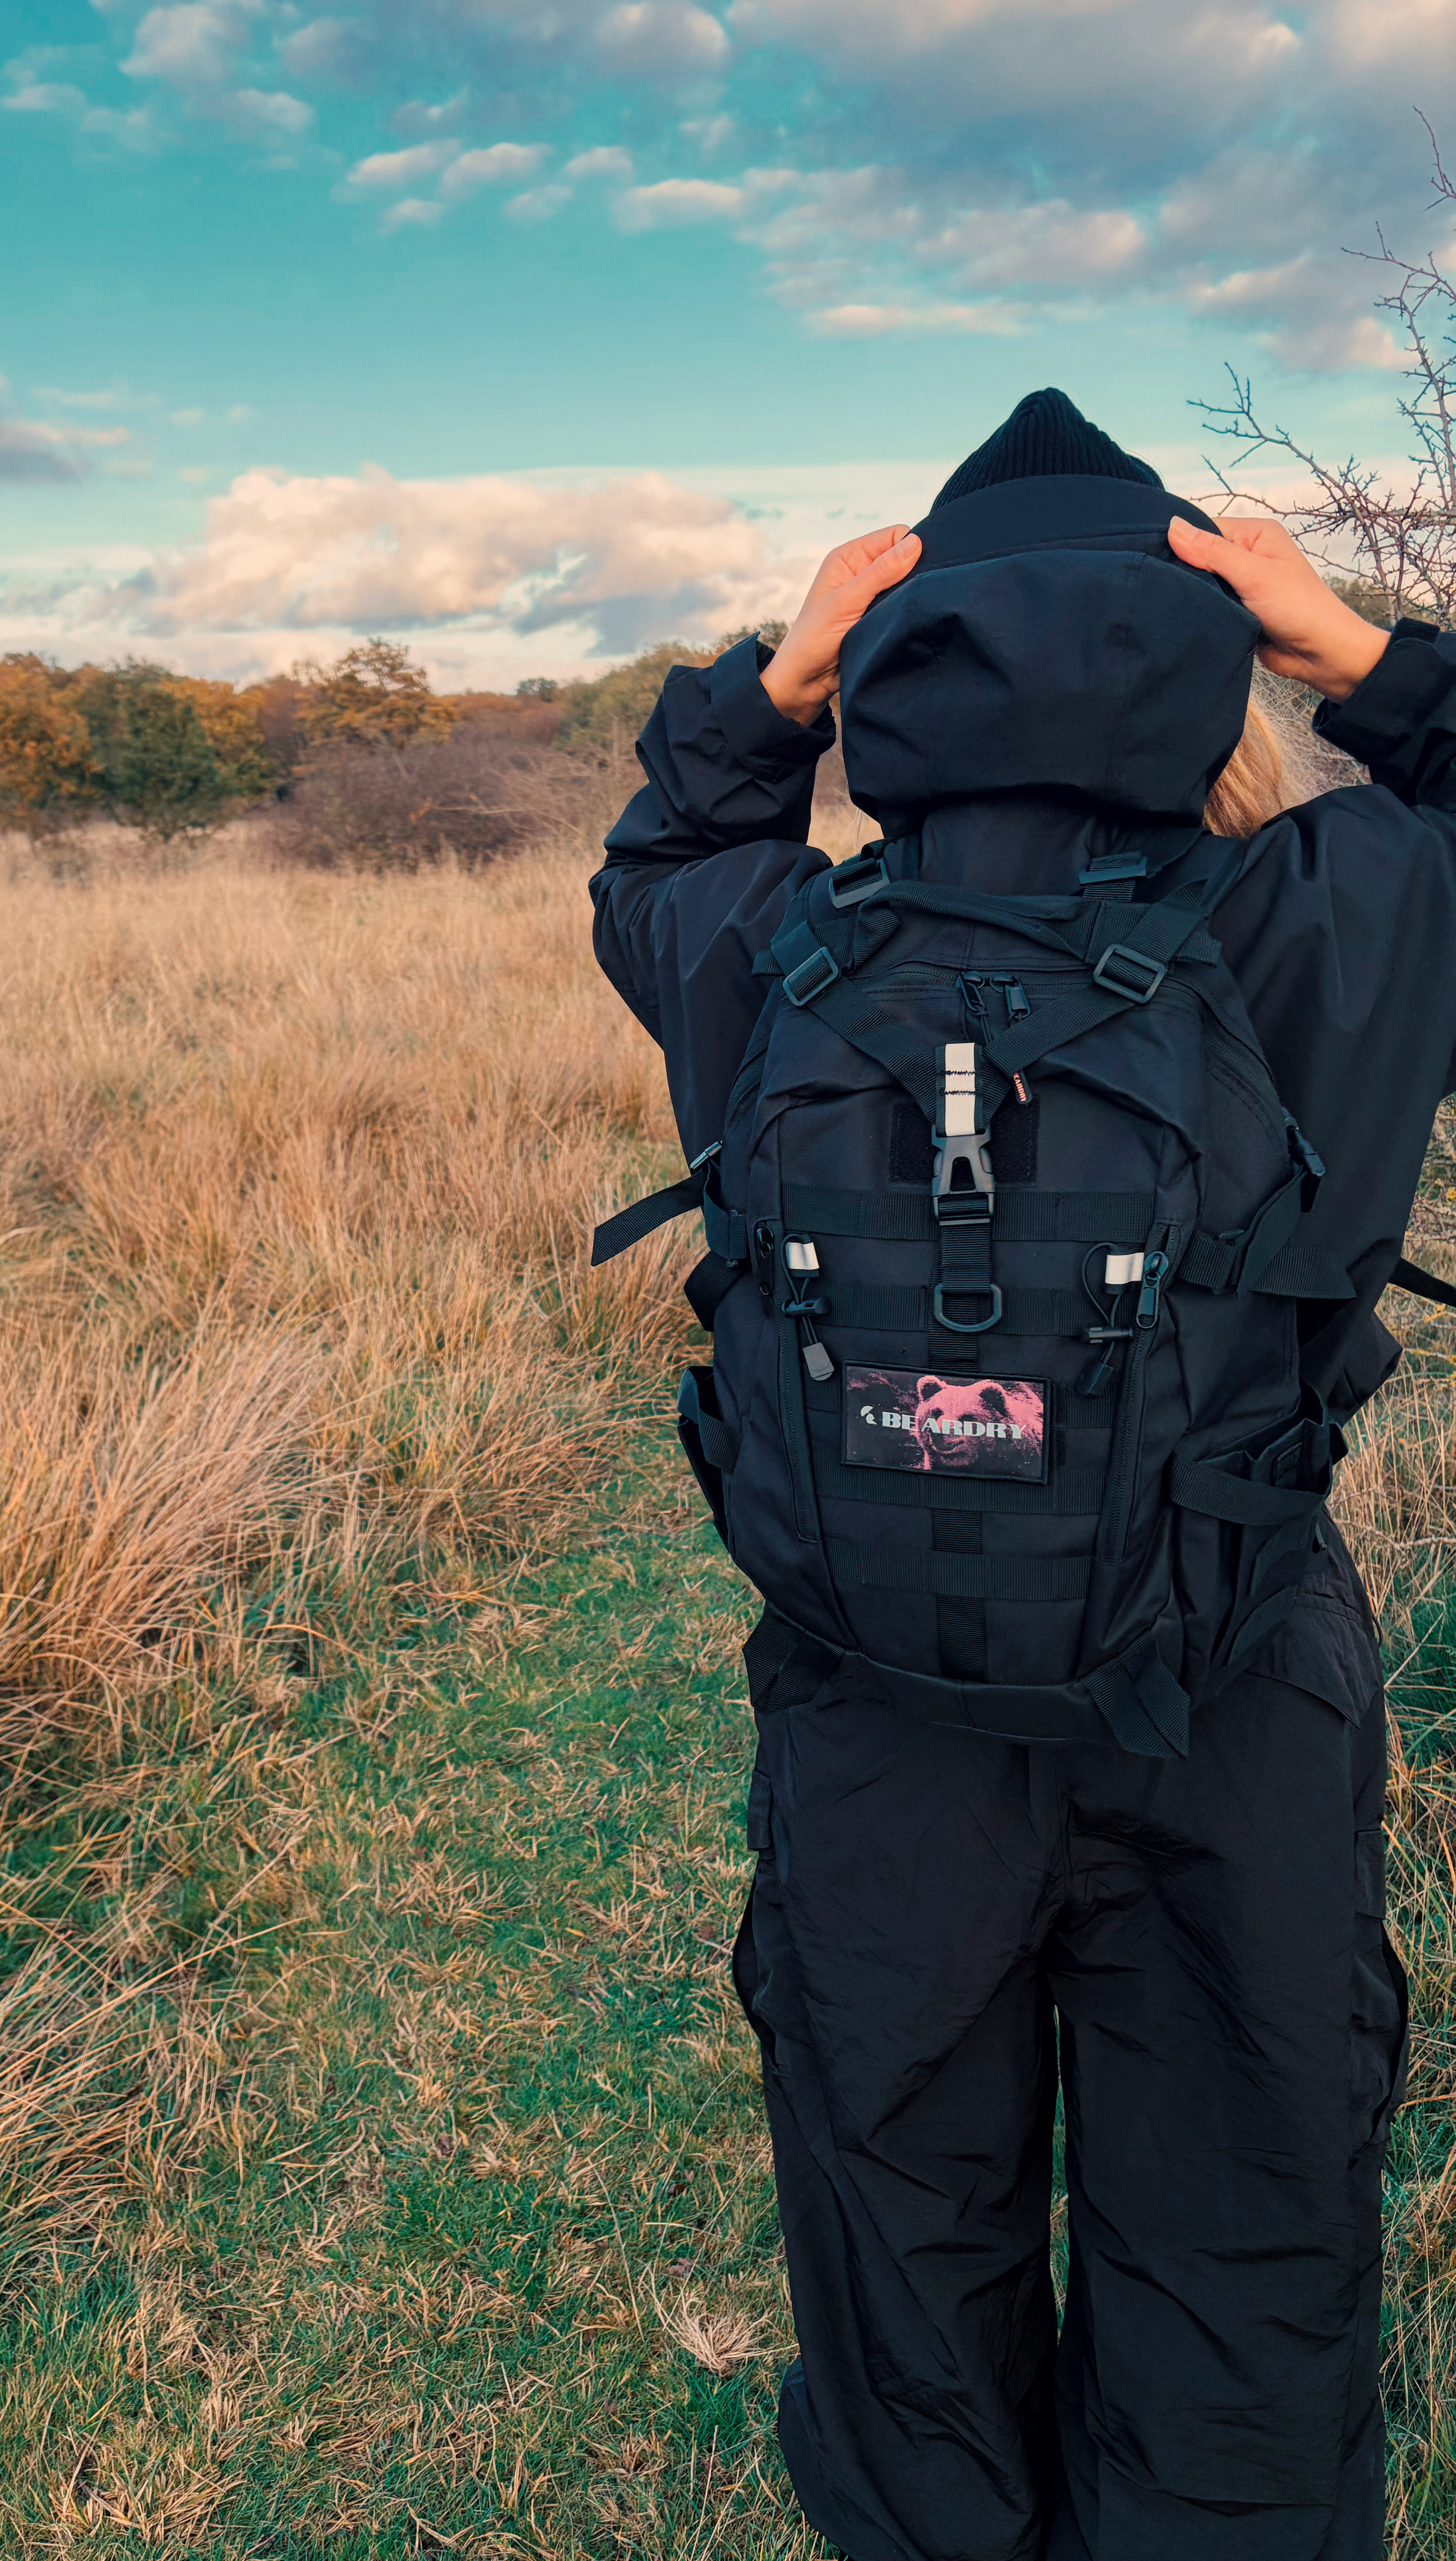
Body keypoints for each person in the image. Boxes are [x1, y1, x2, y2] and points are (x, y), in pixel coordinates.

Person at [589, 388, 1456, 2561]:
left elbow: (662, 867)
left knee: (901, 2247)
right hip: (1231, 1684)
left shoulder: (776, 953)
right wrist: (1351, 650)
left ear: (903, 670)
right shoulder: (1339, 912)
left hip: (881, 1707)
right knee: (1243, 2248)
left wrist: (765, 688)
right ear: (1201, 659)